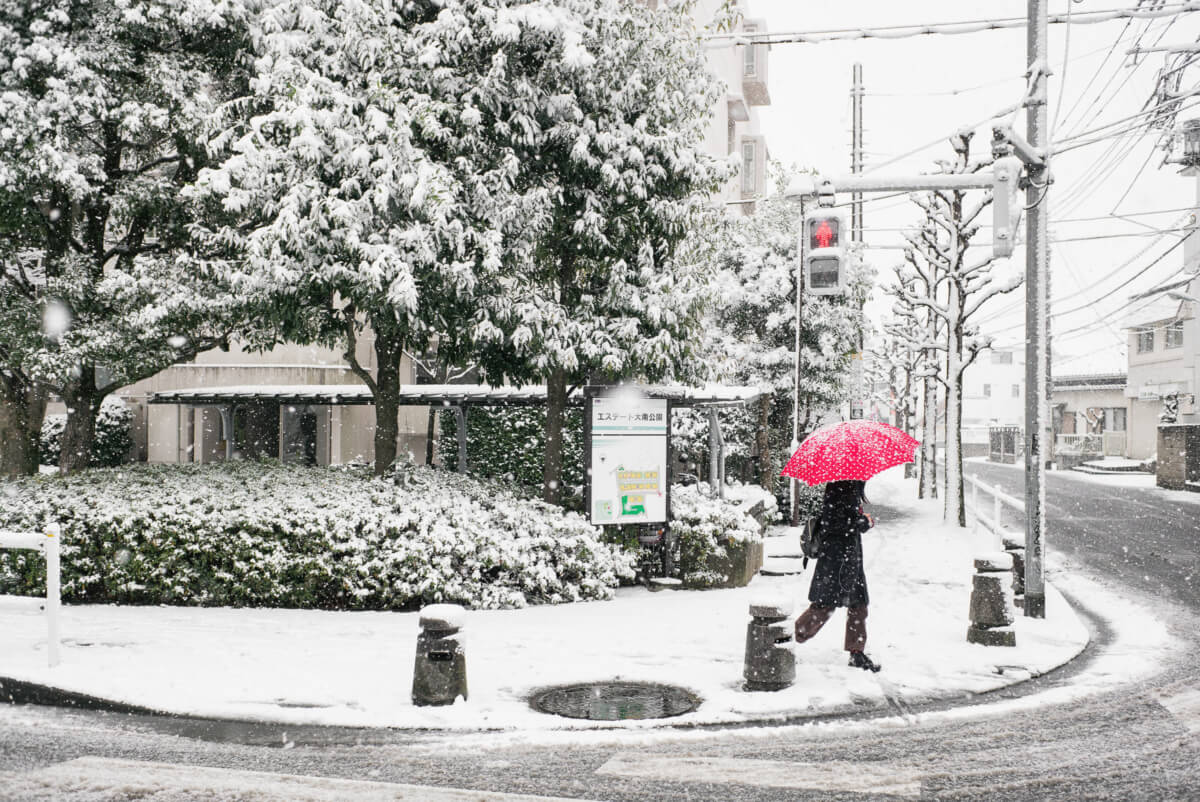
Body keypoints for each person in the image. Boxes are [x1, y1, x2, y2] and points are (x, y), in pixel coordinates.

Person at [793, 479, 881, 672]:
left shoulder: (846, 487)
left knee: (858, 605)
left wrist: (858, 519)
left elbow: (842, 519)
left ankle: (856, 652)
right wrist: (863, 521)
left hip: (847, 557)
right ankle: (790, 637)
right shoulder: (841, 487)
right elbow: (834, 522)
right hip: (837, 559)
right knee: (824, 606)